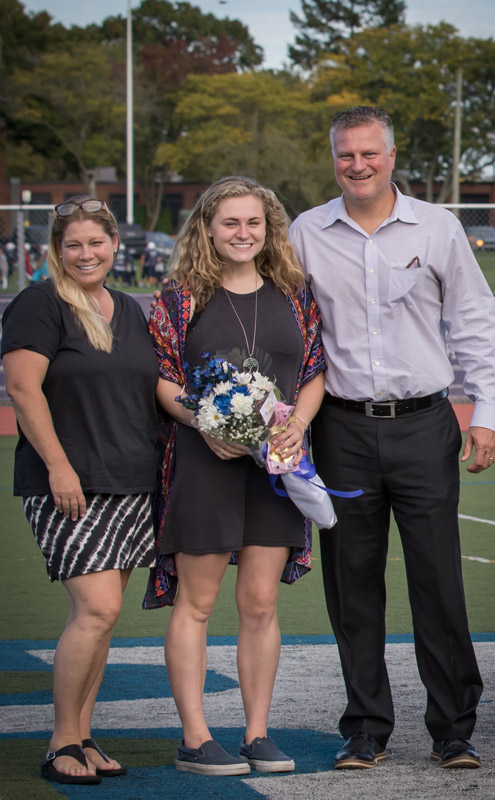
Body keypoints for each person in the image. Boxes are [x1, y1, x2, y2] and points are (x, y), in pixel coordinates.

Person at [289, 106, 495, 771]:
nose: (357, 165)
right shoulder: (305, 231)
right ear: (333, 160)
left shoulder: (437, 228)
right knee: (350, 585)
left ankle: (452, 729)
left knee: (437, 581)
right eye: (344, 156)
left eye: (369, 154)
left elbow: (474, 320)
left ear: (391, 155)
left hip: (423, 426)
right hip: (340, 431)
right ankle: (364, 728)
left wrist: (487, 413)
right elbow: (284, 325)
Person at [143, 176, 326, 776]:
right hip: (206, 462)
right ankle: (195, 739)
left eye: (254, 223)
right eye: (230, 223)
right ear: (208, 229)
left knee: (260, 601)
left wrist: (297, 422)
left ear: (269, 228)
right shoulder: (179, 298)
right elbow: (164, 380)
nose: (243, 234)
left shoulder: (296, 294)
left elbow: (313, 370)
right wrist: (205, 423)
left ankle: (256, 733)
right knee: (197, 603)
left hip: (274, 469)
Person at [1, 196, 160, 785]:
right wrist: (59, 467)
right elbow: (22, 388)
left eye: (96, 243)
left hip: (130, 480)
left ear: (115, 245)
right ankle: (60, 742)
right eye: (73, 245)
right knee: (98, 608)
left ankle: (84, 734)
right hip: (69, 483)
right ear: (56, 250)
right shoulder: (39, 303)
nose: (85, 254)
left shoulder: (127, 308)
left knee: (100, 617)